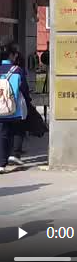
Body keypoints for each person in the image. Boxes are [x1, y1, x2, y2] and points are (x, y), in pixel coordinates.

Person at [0, 43, 31, 172]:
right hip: (14, 109)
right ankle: (12, 155)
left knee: (2, 134)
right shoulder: (17, 70)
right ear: (12, 55)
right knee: (15, 132)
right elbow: (24, 89)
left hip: (0, 107)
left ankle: (2, 163)